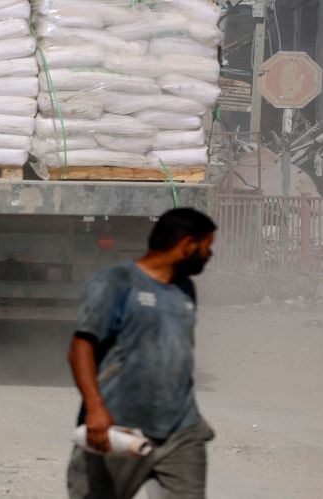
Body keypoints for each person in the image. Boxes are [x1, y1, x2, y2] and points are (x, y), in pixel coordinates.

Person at [66, 207, 218, 499]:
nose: (209, 255)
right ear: (187, 245)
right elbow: (80, 347)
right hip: (119, 426)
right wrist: (96, 410)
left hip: (181, 430)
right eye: (206, 247)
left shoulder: (185, 289)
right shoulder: (115, 282)